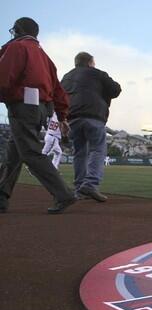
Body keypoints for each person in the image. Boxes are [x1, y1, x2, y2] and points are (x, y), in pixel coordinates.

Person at [0, 17, 76, 214]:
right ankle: (1, 196)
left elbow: (3, 76)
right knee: (14, 153)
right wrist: (62, 116)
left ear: (17, 30)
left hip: (23, 107)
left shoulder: (17, 48)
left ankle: (63, 193)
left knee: (30, 153)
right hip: (43, 108)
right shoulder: (44, 55)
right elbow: (58, 89)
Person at [61, 52, 121, 202]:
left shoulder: (66, 77)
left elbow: (59, 96)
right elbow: (116, 89)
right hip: (93, 115)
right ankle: (90, 184)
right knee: (98, 149)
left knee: (79, 153)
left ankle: (80, 189)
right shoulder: (97, 73)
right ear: (89, 63)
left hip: (72, 117)